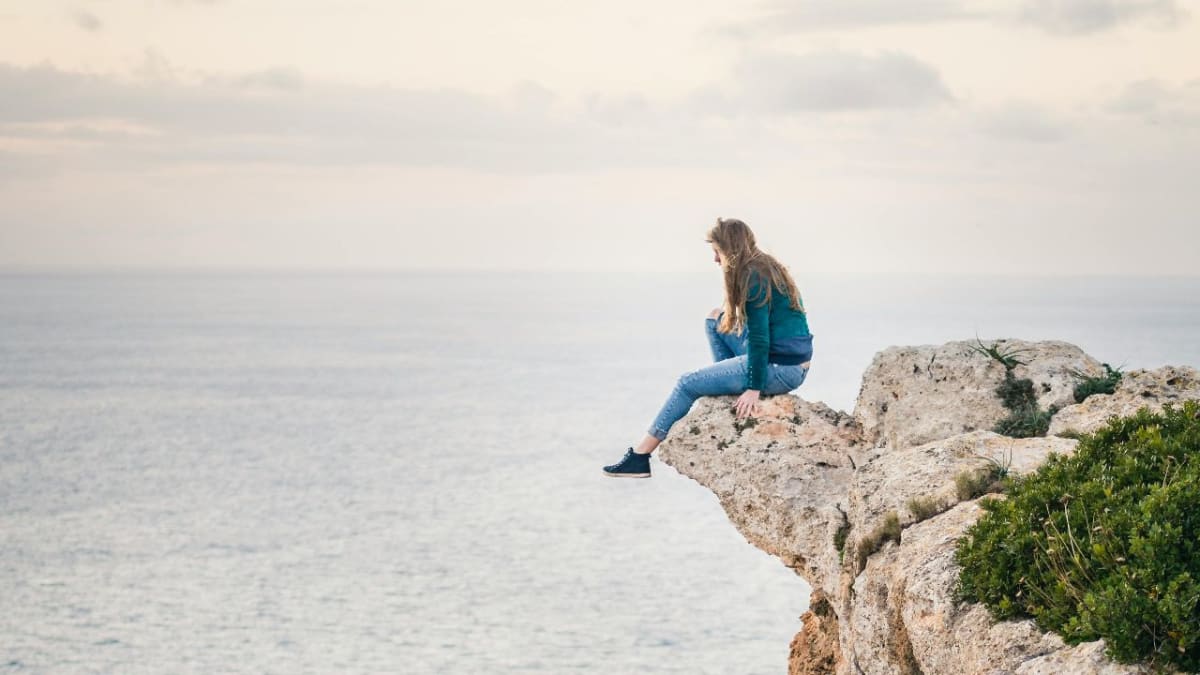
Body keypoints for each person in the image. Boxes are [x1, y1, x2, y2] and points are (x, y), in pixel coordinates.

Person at [602, 217, 814, 478]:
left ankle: (640, 457)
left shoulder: (753, 276)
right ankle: (723, 385)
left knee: (687, 383)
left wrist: (753, 389)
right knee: (715, 319)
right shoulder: (765, 265)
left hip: (780, 368)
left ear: (730, 250)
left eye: (717, 251)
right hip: (788, 362)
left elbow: (760, 338)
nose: (715, 259)